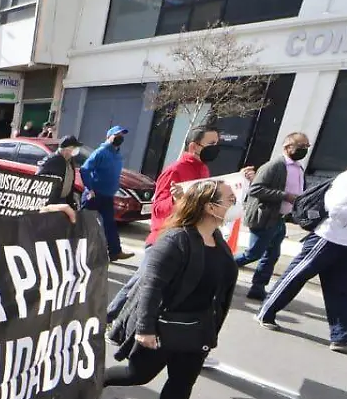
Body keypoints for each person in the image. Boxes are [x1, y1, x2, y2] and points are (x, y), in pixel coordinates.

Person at [106, 180, 239, 399]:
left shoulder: (218, 241)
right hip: (166, 325)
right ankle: (90, 383)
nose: (233, 203)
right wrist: (145, 329)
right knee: (137, 375)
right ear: (209, 206)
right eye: (229, 199)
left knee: (183, 380)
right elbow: (151, 287)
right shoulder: (175, 239)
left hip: (198, 329)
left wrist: (213, 327)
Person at [257, 133, 347, 351]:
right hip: (328, 238)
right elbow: (335, 208)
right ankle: (266, 312)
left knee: (341, 290)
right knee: (296, 276)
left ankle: (345, 336)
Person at [108, 126, 255, 325]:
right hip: (164, 239)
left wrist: (239, 179)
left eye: (217, 144)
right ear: (194, 146)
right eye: (211, 144)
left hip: (188, 239)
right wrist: (178, 200)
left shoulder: (203, 169)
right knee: (141, 285)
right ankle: (112, 320)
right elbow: (158, 209)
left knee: (150, 286)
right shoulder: (175, 171)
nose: (216, 148)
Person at [237, 132, 309, 300]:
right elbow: (255, 189)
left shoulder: (298, 167)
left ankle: (258, 288)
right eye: (301, 146)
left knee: (271, 256)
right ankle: (218, 269)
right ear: (287, 147)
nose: (304, 150)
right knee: (253, 254)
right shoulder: (274, 166)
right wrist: (286, 196)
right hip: (265, 217)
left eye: (307, 147)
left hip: (280, 218)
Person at [80, 126, 134, 261]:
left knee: (110, 224)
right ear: (109, 136)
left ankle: (115, 252)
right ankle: (76, 252)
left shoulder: (118, 155)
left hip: (108, 196)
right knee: (84, 224)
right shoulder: (101, 152)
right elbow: (84, 170)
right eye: (117, 135)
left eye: (122, 135)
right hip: (94, 196)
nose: (120, 137)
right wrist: (90, 188)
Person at [37, 135, 82, 209]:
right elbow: (38, 177)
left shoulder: (70, 161)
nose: (76, 150)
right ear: (67, 149)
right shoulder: (52, 160)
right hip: (53, 202)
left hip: (64, 201)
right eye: (74, 148)